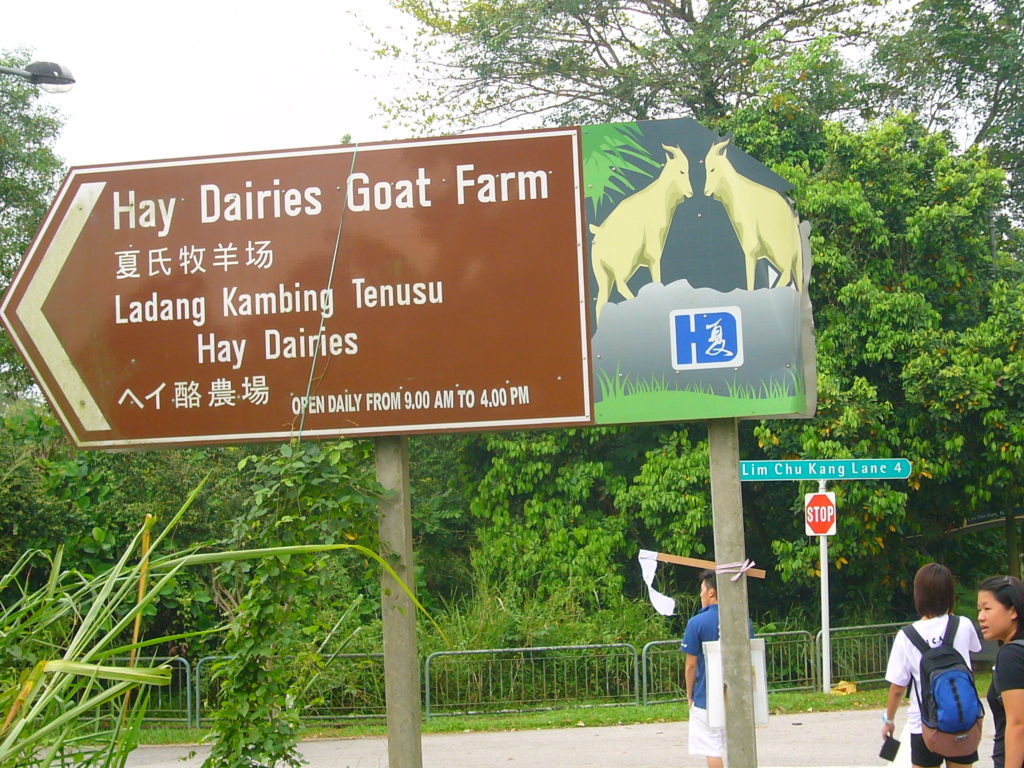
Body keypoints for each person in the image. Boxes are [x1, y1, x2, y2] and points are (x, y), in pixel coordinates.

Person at [882, 562, 981, 768]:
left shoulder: (906, 636)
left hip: (924, 724)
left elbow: (897, 688)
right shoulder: (963, 625)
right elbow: (974, 648)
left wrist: (889, 720)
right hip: (962, 720)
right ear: (950, 594)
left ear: (918, 595)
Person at [978, 575, 1024, 768]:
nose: (980, 616)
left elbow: (1018, 724)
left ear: (1013, 611)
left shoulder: (1011, 654)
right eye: (979, 609)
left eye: (987, 609)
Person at [682, 569, 725, 768]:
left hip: (706, 695)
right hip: (737, 694)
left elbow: (691, 664)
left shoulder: (696, 623)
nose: (700, 594)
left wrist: (689, 695)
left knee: (712, 747)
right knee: (736, 744)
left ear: (711, 592)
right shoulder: (741, 620)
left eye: (702, 590)